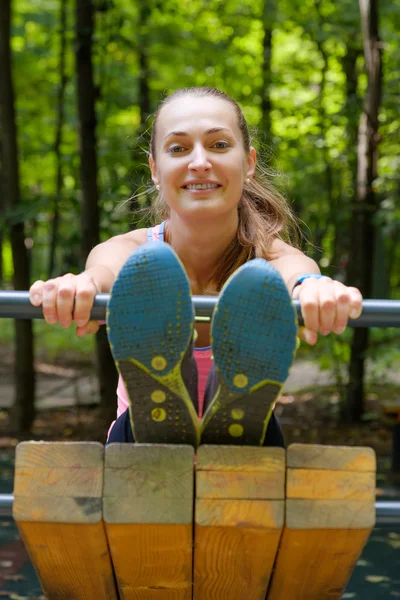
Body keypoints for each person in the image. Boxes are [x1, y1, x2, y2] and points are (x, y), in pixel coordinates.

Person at [29, 86, 362, 448]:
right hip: (140, 465)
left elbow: (295, 272)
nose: (199, 161)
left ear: (248, 163)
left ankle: (228, 415)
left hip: (244, 468)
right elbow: (107, 272)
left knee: (259, 287)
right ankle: (166, 409)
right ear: (155, 170)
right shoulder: (134, 252)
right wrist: (83, 286)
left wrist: (313, 285)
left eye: (219, 145)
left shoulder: (269, 260)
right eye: (179, 148)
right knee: (148, 274)